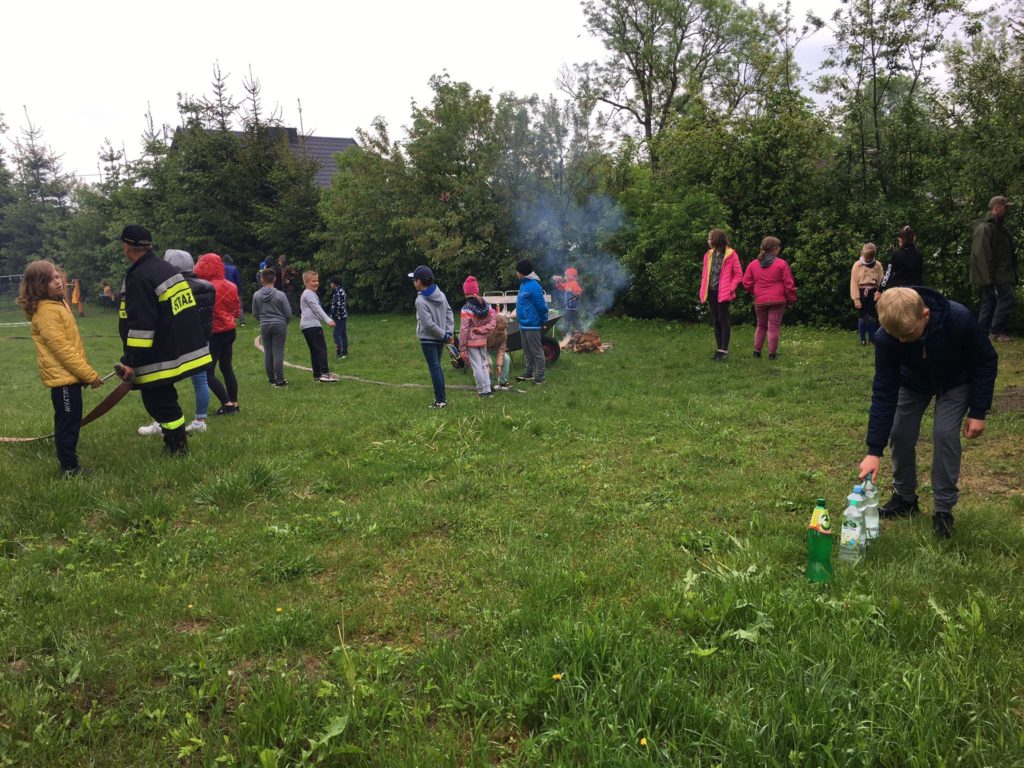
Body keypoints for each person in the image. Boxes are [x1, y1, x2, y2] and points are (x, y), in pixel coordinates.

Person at [858, 287, 998, 538]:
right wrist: (874, 450)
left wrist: (978, 411)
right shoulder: (886, 338)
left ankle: (943, 510)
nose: (902, 341)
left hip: (956, 381)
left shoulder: (959, 319)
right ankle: (905, 498)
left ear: (925, 314)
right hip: (914, 382)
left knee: (944, 434)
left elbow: (985, 361)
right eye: (897, 336)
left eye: (908, 334)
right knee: (899, 432)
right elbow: (884, 392)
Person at [115, 225, 212, 454]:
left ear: (126, 247)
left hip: (157, 353)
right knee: (164, 397)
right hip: (175, 346)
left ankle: (177, 446)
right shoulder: (165, 268)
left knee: (159, 401)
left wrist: (131, 360)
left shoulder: (140, 276)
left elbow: (142, 324)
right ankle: (176, 442)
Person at [17, 260, 105, 475]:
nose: (57, 282)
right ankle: (69, 468)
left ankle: (69, 462)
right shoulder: (46, 312)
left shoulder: (58, 304)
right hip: (63, 381)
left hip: (70, 378)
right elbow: (64, 351)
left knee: (71, 421)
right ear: (38, 286)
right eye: (50, 280)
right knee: (67, 425)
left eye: (57, 276)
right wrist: (90, 375)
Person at [138, 250, 216, 436]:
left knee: (164, 383)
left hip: (178, 342)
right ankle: (200, 421)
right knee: (201, 380)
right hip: (202, 339)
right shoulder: (208, 286)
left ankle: (162, 421)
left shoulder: (174, 287)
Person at [195, 252, 241, 414]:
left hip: (214, 333)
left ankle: (226, 403)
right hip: (230, 330)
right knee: (226, 367)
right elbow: (236, 311)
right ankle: (234, 402)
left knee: (207, 372)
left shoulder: (205, 287)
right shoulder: (232, 286)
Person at [970, 195, 1017, 342]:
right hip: (995, 275)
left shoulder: (998, 227)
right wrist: (987, 279)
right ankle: (996, 332)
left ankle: (981, 332)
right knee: (1007, 299)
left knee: (989, 302)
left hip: (998, 274)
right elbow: (981, 255)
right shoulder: (985, 228)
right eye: (1006, 207)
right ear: (996, 207)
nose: (1008, 210)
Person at [742, 236, 797, 360]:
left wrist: (756, 292)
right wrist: (791, 299)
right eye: (778, 247)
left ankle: (757, 352)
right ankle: (772, 354)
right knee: (773, 326)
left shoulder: (753, 264)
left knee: (761, 325)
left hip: (760, 300)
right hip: (778, 300)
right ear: (775, 248)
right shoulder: (781, 263)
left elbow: (746, 283)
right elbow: (789, 284)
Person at [409, 265, 454, 408]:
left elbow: (427, 324)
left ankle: (440, 400)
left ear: (419, 282)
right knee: (437, 367)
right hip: (441, 337)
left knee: (434, 368)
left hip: (428, 339)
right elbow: (449, 313)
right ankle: (441, 398)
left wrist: (445, 335)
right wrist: (447, 333)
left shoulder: (420, 301)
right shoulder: (441, 294)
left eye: (414, 280)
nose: (413, 282)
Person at [698, 229, 743, 361]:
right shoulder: (708, 254)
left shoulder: (731, 254)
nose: (708, 241)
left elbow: (738, 275)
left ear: (716, 240)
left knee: (723, 320)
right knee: (716, 320)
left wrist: (730, 288)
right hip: (711, 291)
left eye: (710, 238)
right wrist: (703, 289)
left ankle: (724, 350)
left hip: (723, 292)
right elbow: (705, 273)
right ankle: (719, 349)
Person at [252, 267, 292, 386]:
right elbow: (288, 313)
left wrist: (262, 320)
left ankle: (271, 378)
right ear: (274, 279)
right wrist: (285, 322)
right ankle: (280, 379)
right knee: (278, 352)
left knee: (268, 352)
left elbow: (255, 313)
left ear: (262, 280)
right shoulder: (280, 295)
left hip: (264, 325)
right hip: (279, 324)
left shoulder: (256, 295)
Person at [459, 275, 497, 398]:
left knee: (476, 367)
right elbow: (493, 322)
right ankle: (488, 389)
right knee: (484, 364)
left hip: (471, 342)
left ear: (466, 293)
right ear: (477, 290)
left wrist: (461, 346)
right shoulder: (487, 306)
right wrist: (482, 330)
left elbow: (464, 329)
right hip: (483, 340)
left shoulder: (466, 309)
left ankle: (481, 391)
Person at [299, 270, 339, 383]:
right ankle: (325, 373)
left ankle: (317, 375)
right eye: (313, 281)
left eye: (317, 280)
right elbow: (316, 308)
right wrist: (328, 320)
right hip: (311, 326)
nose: (316, 283)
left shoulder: (311, 294)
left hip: (308, 326)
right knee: (321, 349)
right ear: (306, 283)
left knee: (315, 350)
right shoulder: (308, 293)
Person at [514, 259, 549, 384]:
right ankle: (528, 373)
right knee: (527, 351)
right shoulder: (523, 284)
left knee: (536, 351)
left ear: (522, 272)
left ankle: (540, 377)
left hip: (532, 324)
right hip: (523, 324)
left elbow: (541, 305)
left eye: (517, 271)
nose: (516, 273)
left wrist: (544, 319)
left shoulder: (534, 285)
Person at [850, 242, 885, 346]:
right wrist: (856, 299)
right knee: (863, 317)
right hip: (861, 293)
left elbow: (882, 281)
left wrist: (880, 294)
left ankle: (872, 339)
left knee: (872, 317)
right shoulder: (857, 265)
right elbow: (854, 283)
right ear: (863, 254)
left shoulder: (878, 265)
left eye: (870, 258)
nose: (868, 260)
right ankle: (862, 340)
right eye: (867, 258)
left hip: (874, 294)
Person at [879, 225, 924, 292]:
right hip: (914, 288)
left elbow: (888, 274)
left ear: (901, 240)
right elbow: (919, 274)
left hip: (898, 288)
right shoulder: (919, 254)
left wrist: (880, 290)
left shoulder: (896, 254)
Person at [487, 309, 510, 390]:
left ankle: (503, 381)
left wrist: (499, 365)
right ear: (494, 326)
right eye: (499, 329)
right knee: (489, 363)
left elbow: (502, 348)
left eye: (503, 329)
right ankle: (489, 383)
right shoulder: (487, 331)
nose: (501, 332)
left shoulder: (504, 333)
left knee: (506, 359)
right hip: (483, 349)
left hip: (495, 348)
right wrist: (486, 363)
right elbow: (482, 348)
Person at [328, 275, 349, 359]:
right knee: (343, 333)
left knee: (336, 334)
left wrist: (333, 315)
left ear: (334, 283)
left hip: (339, 317)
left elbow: (337, 305)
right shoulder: (342, 290)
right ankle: (345, 351)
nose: (330, 285)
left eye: (331, 283)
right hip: (343, 315)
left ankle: (339, 352)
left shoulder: (337, 292)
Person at [222, 255, 245, 327]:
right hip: (234, 289)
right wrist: (240, 289)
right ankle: (242, 322)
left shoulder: (221, 268)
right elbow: (238, 280)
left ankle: (229, 321)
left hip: (224, 290)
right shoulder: (234, 268)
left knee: (226, 307)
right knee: (239, 306)